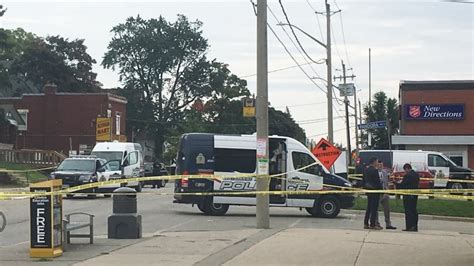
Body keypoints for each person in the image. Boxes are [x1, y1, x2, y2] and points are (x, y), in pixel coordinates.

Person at [395, 163, 420, 232]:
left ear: (406, 168)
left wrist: (396, 184)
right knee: (414, 210)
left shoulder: (407, 176)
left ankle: (409, 226)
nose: (405, 172)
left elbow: (403, 185)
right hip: (414, 195)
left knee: (408, 211)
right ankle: (415, 226)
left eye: (405, 170)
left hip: (408, 196)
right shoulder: (416, 175)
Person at [363, 157, 383, 230]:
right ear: (374, 162)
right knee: (374, 208)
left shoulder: (366, 170)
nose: (377, 163)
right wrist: (381, 190)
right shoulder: (374, 171)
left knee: (369, 207)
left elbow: (364, 180)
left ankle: (366, 223)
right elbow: (377, 181)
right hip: (375, 191)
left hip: (369, 191)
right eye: (377, 162)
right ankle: (372, 224)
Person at [377, 160, 396, 230]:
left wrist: (387, 191)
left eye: (381, 165)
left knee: (387, 209)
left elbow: (386, 183)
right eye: (379, 165)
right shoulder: (374, 172)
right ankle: (376, 223)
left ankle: (388, 224)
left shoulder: (385, 173)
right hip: (378, 193)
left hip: (385, 193)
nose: (380, 166)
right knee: (376, 209)